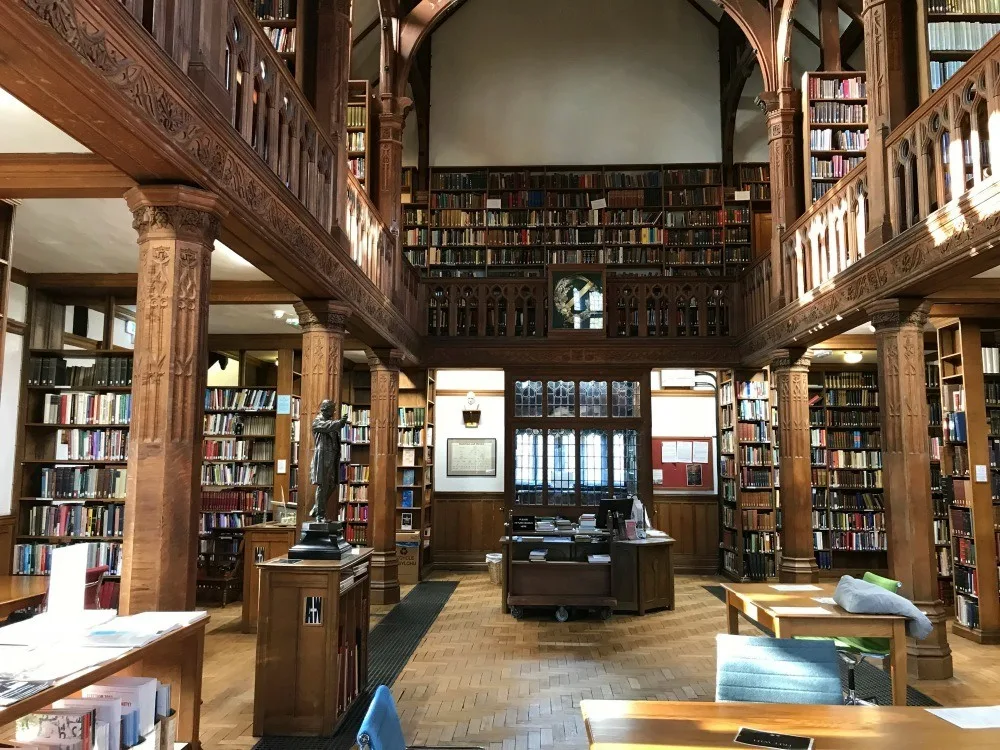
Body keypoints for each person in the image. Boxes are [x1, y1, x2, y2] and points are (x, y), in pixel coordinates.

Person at [309, 399, 349, 521]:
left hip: (332, 458)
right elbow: (326, 427)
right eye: (332, 408)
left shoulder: (330, 422)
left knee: (332, 485)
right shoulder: (318, 421)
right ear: (326, 409)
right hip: (323, 458)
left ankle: (317, 508)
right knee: (323, 485)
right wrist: (340, 423)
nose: (334, 411)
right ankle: (320, 515)